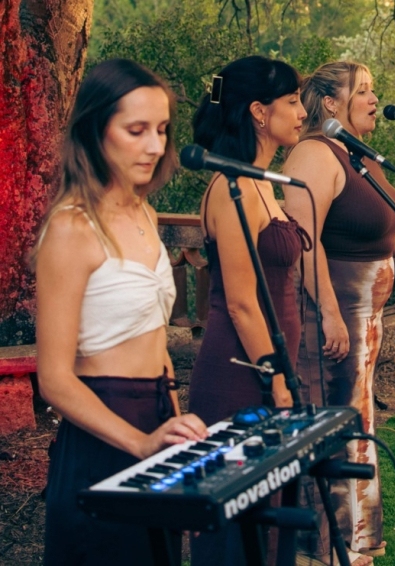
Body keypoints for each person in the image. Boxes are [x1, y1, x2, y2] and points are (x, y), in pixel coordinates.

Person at [34, 58, 209, 565]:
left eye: (161, 129)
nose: (155, 146)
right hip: (102, 433)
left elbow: (157, 346)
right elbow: (55, 379)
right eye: (136, 130)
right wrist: (141, 444)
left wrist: (174, 429)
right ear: (95, 130)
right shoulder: (71, 228)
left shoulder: (144, 213)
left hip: (156, 415)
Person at [281, 60, 395, 565]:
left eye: (373, 88)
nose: (373, 98)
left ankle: (354, 544)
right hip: (334, 320)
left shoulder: (355, 153)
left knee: (356, 425)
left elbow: (375, 229)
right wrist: (327, 312)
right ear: (329, 103)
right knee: (333, 429)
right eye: (362, 90)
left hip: (364, 319)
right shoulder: (314, 154)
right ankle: (323, 550)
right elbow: (306, 241)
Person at [187, 55, 310, 566]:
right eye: (292, 101)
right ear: (260, 111)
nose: (303, 111)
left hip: (277, 365)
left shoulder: (264, 180)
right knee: (238, 530)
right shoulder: (228, 187)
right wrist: (276, 380)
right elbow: (240, 301)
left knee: (272, 516)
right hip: (241, 374)